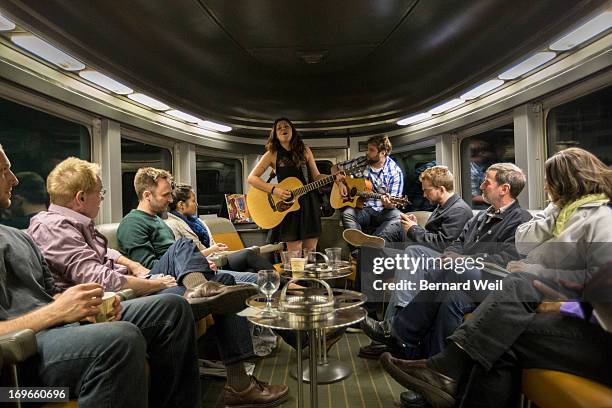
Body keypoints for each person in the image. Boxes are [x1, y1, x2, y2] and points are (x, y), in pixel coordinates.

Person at [380, 148, 612, 408]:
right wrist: (554, 211)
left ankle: (412, 343)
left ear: (565, 182)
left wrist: (565, 302)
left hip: (586, 320)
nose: (545, 186)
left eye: (550, 180)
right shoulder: (559, 215)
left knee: (495, 313)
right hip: (515, 281)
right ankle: (434, 368)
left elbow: (598, 287)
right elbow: (523, 244)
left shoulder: (602, 219)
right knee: (454, 292)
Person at [0, 144, 201, 407]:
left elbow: (50, 295)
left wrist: (82, 308)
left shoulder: (17, 235)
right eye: (4, 171)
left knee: (172, 307)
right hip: (16, 377)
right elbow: (54, 307)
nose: (14, 180)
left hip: (55, 333)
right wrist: (58, 312)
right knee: (121, 340)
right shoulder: (46, 227)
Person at [116, 166, 288, 406]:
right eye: (165, 194)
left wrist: (197, 263)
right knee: (182, 246)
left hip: (180, 277)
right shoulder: (133, 223)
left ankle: (240, 384)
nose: (169, 199)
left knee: (227, 283)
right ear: (147, 195)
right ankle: (199, 286)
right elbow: (147, 269)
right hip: (159, 284)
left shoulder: (159, 221)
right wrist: (190, 263)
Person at [360, 163, 532, 359]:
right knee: (449, 297)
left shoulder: (521, 220)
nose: (482, 186)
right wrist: (450, 255)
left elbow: (506, 259)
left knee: (444, 267)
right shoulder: (482, 216)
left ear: (504, 189)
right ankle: (422, 364)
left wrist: (463, 259)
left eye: (487, 182)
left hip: (492, 278)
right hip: (464, 276)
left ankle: (395, 330)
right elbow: (458, 241)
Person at [247, 117, 327, 252]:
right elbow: (252, 178)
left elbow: (317, 176)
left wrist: (334, 178)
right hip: (288, 204)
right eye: (279, 128)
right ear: (275, 135)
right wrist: (274, 190)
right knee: (294, 251)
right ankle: (294, 273)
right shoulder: (272, 154)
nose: (283, 129)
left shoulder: (305, 150)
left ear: (293, 131)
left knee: (310, 250)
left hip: (309, 202)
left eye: (286, 126)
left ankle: (308, 273)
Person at [165, 184, 273, 283]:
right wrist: (212, 250)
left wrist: (215, 249)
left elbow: (210, 244)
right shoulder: (173, 225)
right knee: (247, 254)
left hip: (218, 259)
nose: (196, 204)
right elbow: (184, 257)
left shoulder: (197, 222)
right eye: (193, 201)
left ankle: (277, 286)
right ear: (181, 205)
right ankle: (282, 282)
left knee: (250, 268)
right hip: (207, 262)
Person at [332, 135, 404, 248]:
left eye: (371, 150)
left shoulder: (395, 172)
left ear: (383, 152)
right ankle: (356, 250)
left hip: (382, 211)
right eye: (367, 149)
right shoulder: (361, 162)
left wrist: (388, 203)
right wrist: (340, 183)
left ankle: (372, 244)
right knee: (347, 214)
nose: (367, 152)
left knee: (398, 217)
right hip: (362, 209)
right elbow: (335, 168)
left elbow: (392, 205)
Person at [388, 165, 472, 251]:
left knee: (383, 255)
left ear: (441, 190)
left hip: (438, 257)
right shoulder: (443, 206)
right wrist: (414, 226)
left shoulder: (458, 211)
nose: (424, 195)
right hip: (425, 250)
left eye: (427, 190)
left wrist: (413, 229)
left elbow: (443, 245)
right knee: (398, 228)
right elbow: (432, 235)